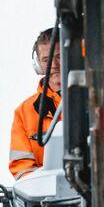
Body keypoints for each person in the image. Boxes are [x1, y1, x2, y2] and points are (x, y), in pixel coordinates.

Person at [10, 28, 62, 179]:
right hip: (48, 201)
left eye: (59, 56)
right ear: (38, 65)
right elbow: (22, 169)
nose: (54, 64)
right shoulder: (24, 113)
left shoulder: (94, 101)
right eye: (47, 59)